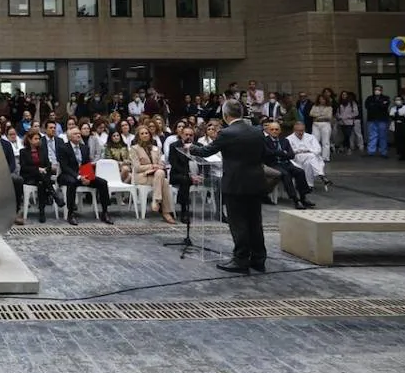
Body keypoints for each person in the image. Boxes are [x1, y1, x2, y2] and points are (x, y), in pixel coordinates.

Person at [191, 100, 268, 275]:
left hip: (236, 184)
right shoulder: (257, 131)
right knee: (255, 222)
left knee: (238, 223)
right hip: (256, 182)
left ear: (225, 115)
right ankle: (258, 259)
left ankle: (241, 260)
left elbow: (205, 151)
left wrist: (192, 148)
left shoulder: (227, 133)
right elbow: (265, 154)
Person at [56, 125, 111, 225]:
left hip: (83, 174)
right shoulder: (63, 148)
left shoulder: (84, 148)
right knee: (72, 183)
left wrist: (88, 176)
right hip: (68, 175)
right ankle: (71, 213)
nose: (78, 135)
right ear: (69, 137)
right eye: (75, 134)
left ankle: (105, 212)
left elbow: (86, 164)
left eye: (78, 133)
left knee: (102, 182)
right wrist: (79, 177)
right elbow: (65, 167)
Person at [130, 125, 176, 224]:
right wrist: (152, 166)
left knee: (161, 175)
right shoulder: (134, 149)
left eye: (146, 133)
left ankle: (156, 200)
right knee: (164, 181)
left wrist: (158, 166)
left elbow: (161, 164)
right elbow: (137, 168)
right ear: (138, 136)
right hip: (142, 176)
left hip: (156, 175)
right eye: (142, 134)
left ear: (150, 135)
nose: (145, 135)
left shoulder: (156, 148)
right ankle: (166, 212)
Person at [263, 121, 314, 208]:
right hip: (273, 164)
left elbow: (291, 155)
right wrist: (282, 152)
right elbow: (267, 153)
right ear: (268, 131)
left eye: (276, 129)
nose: (274, 131)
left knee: (300, 171)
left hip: (286, 163)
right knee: (285, 174)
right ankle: (295, 199)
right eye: (272, 129)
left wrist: (278, 153)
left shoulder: (285, 141)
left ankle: (303, 197)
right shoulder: (265, 141)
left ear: (280, 131)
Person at [17, 129, 56, 224]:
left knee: (41, 182)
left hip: (41, 177)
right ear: (30, 140)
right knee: (41, 177)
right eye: (35, 138)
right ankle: (53, 193)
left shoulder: (43, 151)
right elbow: (24, 167)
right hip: (29, 176)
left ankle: (42, 211)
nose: (38, 140)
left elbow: (48, 165)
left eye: (39, 138)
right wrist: (38, 169)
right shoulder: (23, 152)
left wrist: (44, 169)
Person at [286, 121, 329, 191]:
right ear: (294, 130)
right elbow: (289, 152)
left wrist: (308, 150)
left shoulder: (311, 137)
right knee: (311, 156)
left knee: (308, 162)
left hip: (311, 157)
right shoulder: (289, 139)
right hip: (297, 158)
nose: (301, 133)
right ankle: (321, 175)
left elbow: (318, 149)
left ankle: (309, 185)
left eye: (302, 130)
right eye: (298, 131)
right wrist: (299, 151)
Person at [363, 85, 391, 158]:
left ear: (381, 91)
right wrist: (380, 103)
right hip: (372, 119)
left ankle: (383, 152)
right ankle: (371, 152)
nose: (377, 91)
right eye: (376, 89)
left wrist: (375, 104)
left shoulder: (386, 98)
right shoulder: (369, 98)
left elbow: (384, 107)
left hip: (382, 120)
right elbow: (367, 106)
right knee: (372, 136)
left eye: (378, 89)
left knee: (383, 136)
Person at [389, 95, 405, 162]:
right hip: (396, 125)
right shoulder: (393, 108)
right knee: (398, 139)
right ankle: (400, 153)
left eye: (399, 100)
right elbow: (392, 116)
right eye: (396, 100)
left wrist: (401, 116)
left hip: (404, 125)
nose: (397, 101)